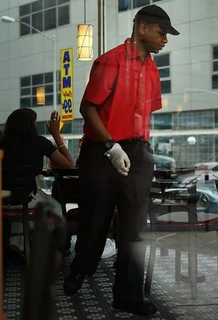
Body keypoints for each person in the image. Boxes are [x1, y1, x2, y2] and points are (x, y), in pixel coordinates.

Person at [62, 4, 179, 316]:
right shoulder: (110, 61)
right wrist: (113, 145)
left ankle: (128, 295)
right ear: (142, 28)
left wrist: (142, 152)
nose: (165, 39)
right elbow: (88, 108)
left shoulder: (153, 69)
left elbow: (143, 116)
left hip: (138, 152)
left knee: (133, 227)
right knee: (95, 219)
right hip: (102, 150)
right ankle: (80, 268)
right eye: (161, 32)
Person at [0, 109, 75, 260]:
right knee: (54, 207)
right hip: (26, 200)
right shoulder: (39, 142)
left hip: (1, 201)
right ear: (29, 125)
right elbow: (69, 165)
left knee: (20, 199)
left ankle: (15, 245)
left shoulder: (0, 144)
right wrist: (56, 135)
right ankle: (54, 247)